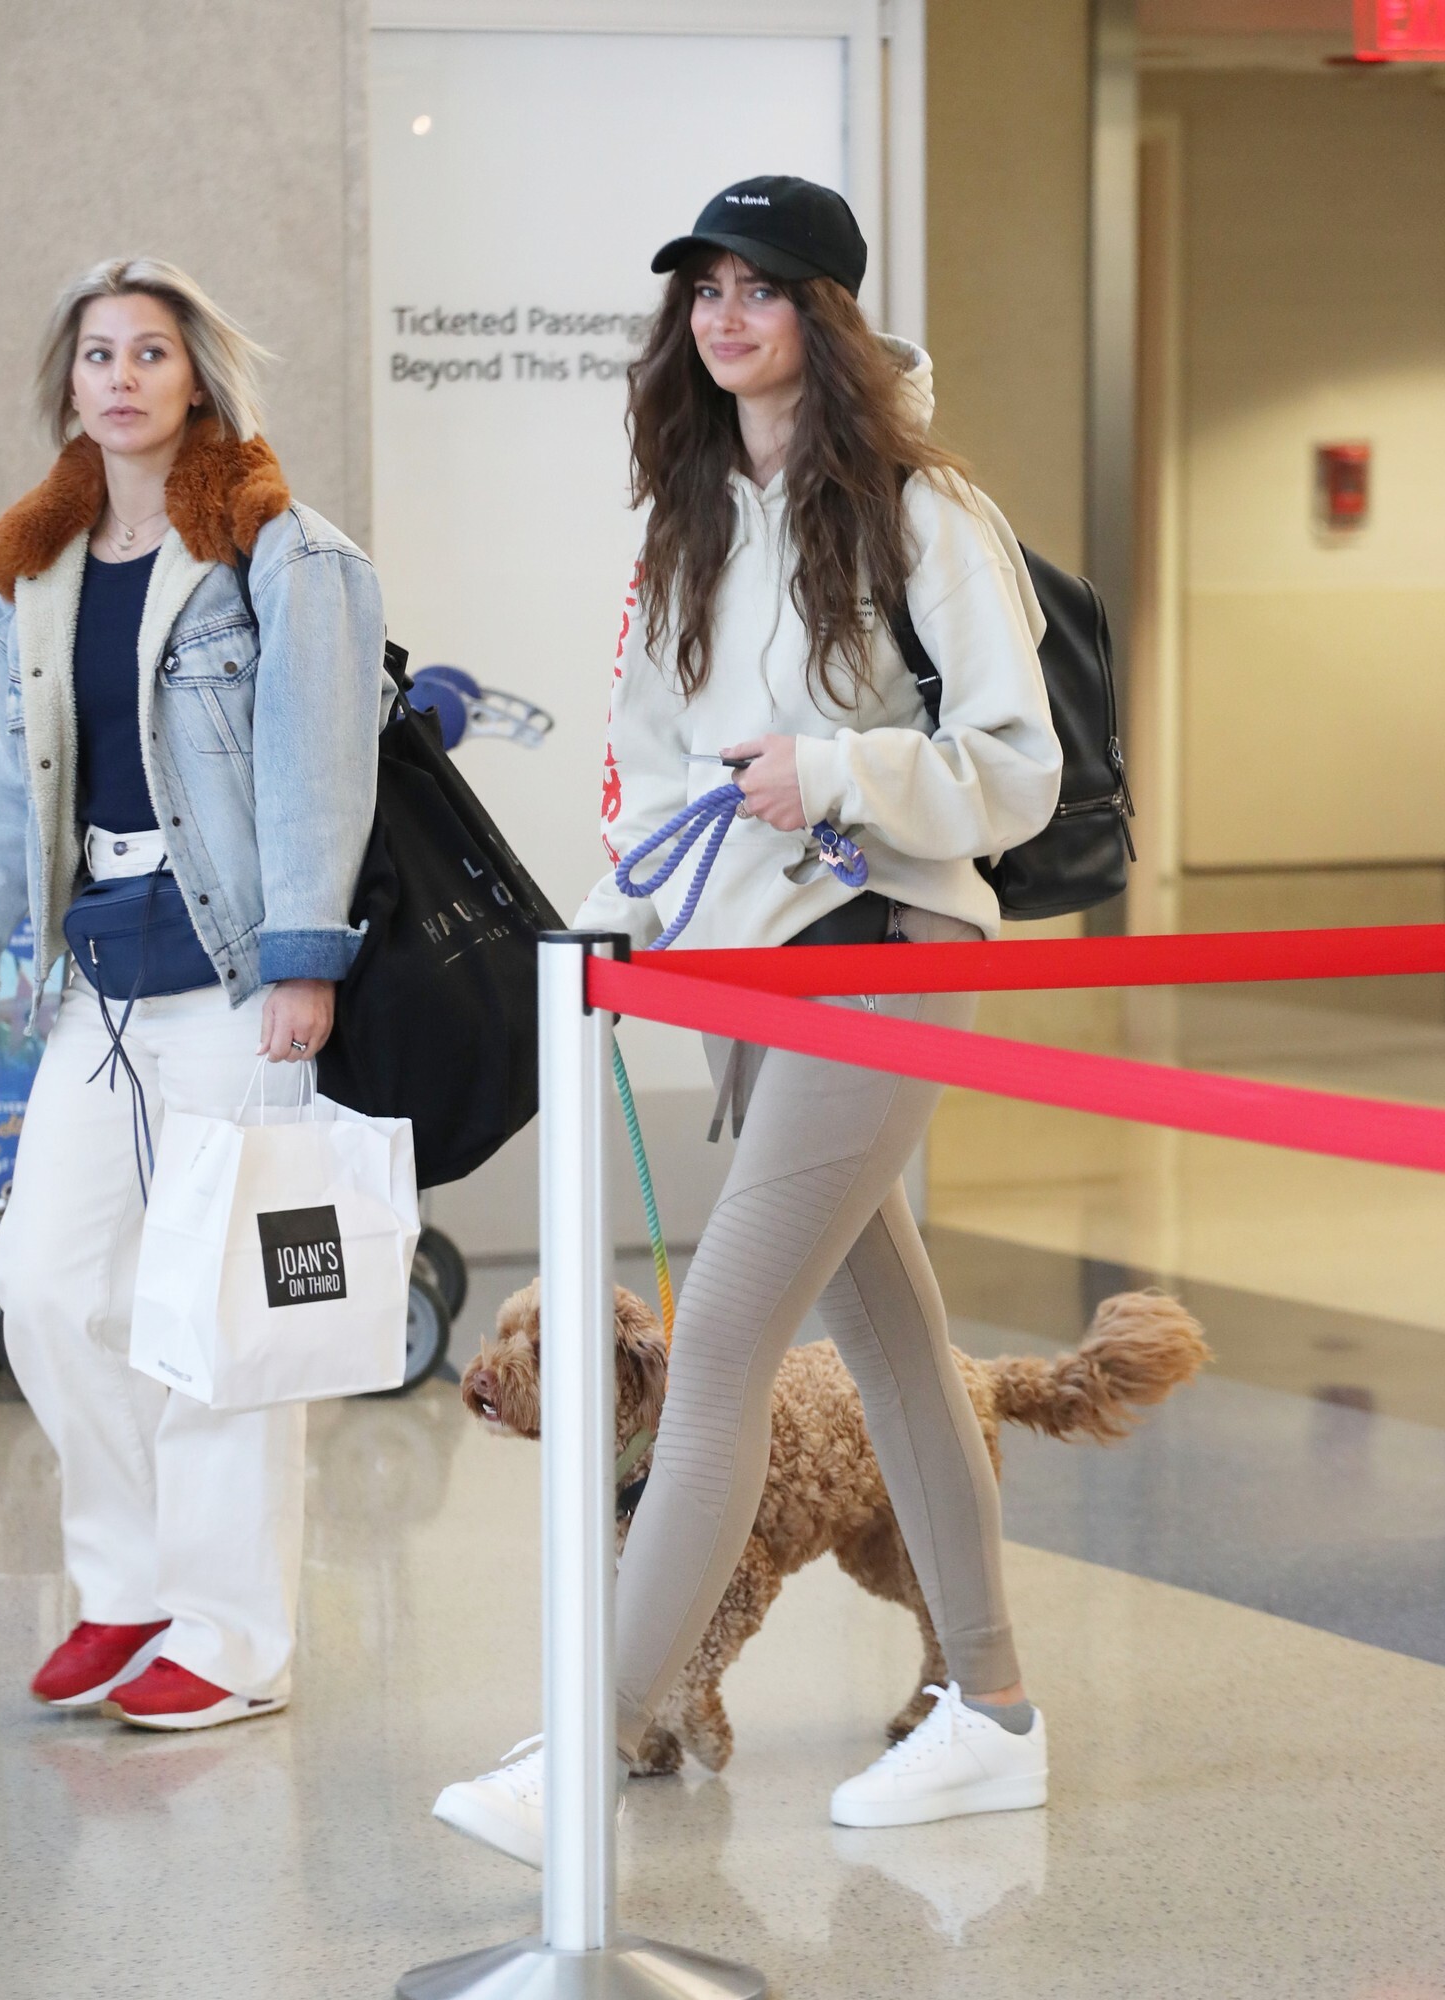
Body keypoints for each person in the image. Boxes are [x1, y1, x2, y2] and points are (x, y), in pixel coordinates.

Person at [436, 175, 1063, 1857]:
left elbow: (1019, 766)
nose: (725, 316)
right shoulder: (691, 516)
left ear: (826, 316)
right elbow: (651, 770)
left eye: (761, 288)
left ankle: (592, 1738)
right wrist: (615, 922)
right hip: (743, 970)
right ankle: (993, 1708)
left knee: (717, 1343)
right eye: (705, 288)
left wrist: (835, 770)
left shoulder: (926, 510)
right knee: (896, 1346)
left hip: (885, 945)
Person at [0, 258, 386, 1729]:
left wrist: (303, 960)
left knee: (220, 1307)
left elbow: (320, 765)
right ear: (68, 384)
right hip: (99, 979)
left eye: (150, 351)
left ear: (197, 375)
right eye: (97, 354)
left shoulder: (278, 550)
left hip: (233, 969)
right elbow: (3, 790)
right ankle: (132, 1584)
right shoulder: (32, 567)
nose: (122, 377)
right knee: (45, 1283)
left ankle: (233, 1635)